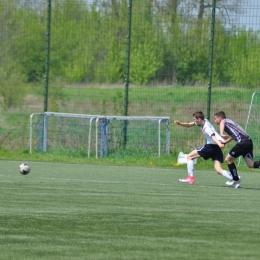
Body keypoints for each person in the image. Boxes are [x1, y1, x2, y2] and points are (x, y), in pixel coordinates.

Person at [174, 111, 234, 186]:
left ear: (199, 119)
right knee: (218, 170)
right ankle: (235, 177)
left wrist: (219, 143)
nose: (194, 121)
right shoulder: (204, 121)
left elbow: (213, 136)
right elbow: (189, 124)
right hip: (217, 148)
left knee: (189, 157)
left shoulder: (206, 128)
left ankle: (190, 177)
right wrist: (180, 124)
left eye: (195, 119)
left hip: (211, 146)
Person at [214, 111, 260, 187]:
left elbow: (221, 134)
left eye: (215, 118)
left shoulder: (223, 121)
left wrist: (222, 135)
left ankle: (236, 179)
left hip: (242, 142)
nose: (215, 120)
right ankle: (236, 179)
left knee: (228, 160)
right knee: (250, 164)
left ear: (220, 118)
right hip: (248, 142)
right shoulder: (230, 122)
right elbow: (233, 136)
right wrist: (225, 142)